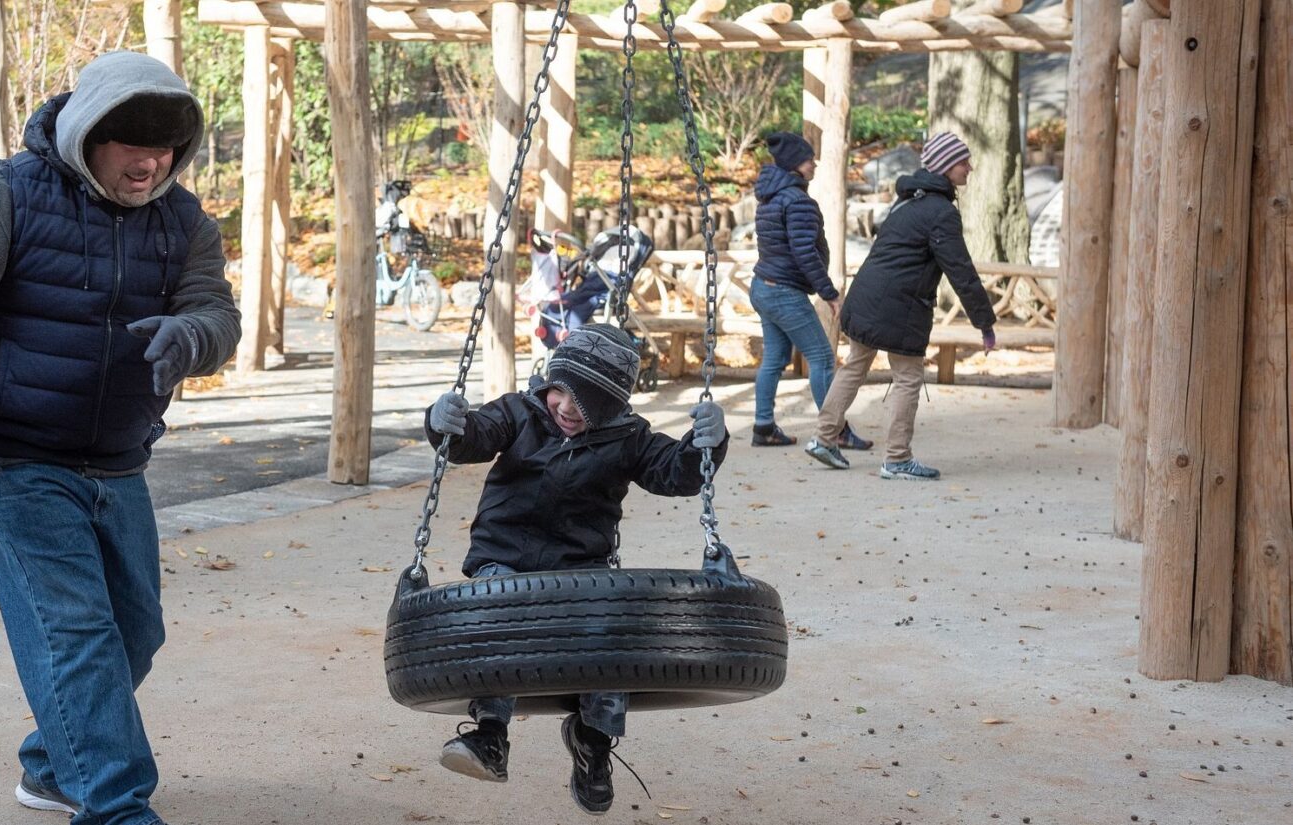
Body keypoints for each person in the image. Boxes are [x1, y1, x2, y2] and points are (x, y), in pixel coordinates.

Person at [0, 51, 240, 825]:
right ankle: (116, 807)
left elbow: (217, 313)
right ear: (87, 135)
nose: (152, 164)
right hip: (12, 458)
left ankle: (51, 765)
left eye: (167, 150)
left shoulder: (183, 222)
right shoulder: (5, 197)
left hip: (118, 463)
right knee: (77, 632)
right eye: (133, 147)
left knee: (135, 631)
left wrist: (194, 335)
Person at [422, 324, 729, 815]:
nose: (565, 406)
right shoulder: (519, 413)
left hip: (581, 574)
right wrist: (445, 424)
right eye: (560, 390)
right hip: (503, 560)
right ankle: (490, 737)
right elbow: (471, 439)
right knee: (498, 614)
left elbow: (675, 472)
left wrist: (704, 443)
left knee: (610, 636)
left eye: (583, 403)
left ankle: (593, 744)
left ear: (609, 409)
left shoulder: (629, 437)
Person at [804, 132, 997, 480]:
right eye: (962, 161)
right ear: (945, 167)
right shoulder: (940, 212)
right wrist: (984, 322)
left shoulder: (908, 201)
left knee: (853, 367)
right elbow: (961, 271)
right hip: (898, 306)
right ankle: (897, 459)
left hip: (866, 297)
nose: (969, 168)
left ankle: (823, 438)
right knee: (908, 376)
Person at [747, 132, 870, 451]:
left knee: (774, 358)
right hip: (784, 293)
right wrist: (829, 293)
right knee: (822, 358)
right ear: (794, 165)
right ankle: (836, 430)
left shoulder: (771, 195)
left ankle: (763, 427)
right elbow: (805, 253)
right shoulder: (796, 200)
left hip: (763, 286)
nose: (813, 164)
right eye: (808, 159)